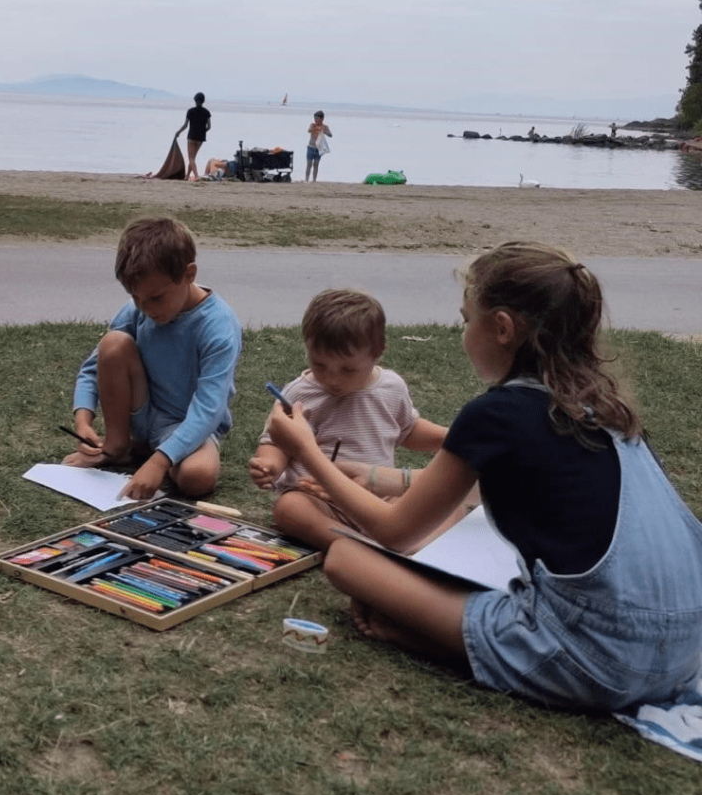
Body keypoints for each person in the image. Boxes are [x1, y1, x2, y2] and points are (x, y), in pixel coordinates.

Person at [266, 242, 702, 713]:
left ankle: (439, 641)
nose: (463, 333)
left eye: (464, 319)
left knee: (347, 560)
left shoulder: (496, 413)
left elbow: (393, 531)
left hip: (600, 659)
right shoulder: (605, 407)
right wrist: (380, 478)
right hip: (685, 648)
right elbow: (512, 489)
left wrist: (307, 451)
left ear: (501, 328)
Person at [249, 288, 449, 551]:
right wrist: (269, 464)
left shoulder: (391, 388)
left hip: (379, 500)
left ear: (377, 353)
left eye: (347, 369)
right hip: (320, 501)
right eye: (319, 365)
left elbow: (408, 430)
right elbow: (277, 440)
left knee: (434, 500)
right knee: (289, 508)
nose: (333, 380)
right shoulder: (299, 394)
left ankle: (387, 541)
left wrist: (452, 438)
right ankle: (360, 546)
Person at [64, 217, 243, 501]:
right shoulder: (137, 310)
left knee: (198, 477)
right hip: (142, 410)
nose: (145, 308)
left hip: (184, 423)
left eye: (156, 298)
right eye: (136, 298)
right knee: (113, 343)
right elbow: (93, 367)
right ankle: (117, 446)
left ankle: (153, 452)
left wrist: (160, 462)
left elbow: (209, 409)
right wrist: (83, 421)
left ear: (189, 274)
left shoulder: (218, 326)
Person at [175, 93, 211, 181]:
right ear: (203, 101)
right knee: (193, 158)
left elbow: (185, 125)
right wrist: (203, 131)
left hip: (191, 136)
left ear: (195, 100)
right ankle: (187, 176)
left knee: (191, 158)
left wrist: (178, 132)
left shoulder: (190, 111)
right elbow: (209, 126)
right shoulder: (207, 112)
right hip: (201, 138)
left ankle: (196, 176)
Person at [305, 110, 331, 182]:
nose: (316, 120)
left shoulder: (325, 126)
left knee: (316, 164)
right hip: (311, 147)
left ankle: (314, 180)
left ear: (322, 119)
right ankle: (306, 180)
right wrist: (315, 128)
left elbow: (330, 135)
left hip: (318, 148)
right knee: (309, 164)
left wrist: (324, 131)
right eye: (315, 118)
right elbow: (309, 130)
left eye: (317, 118)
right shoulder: (313, 125)